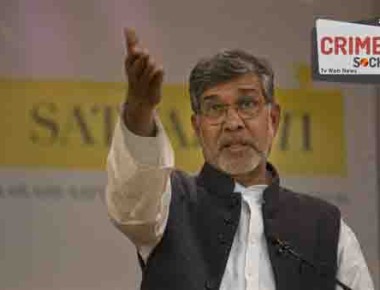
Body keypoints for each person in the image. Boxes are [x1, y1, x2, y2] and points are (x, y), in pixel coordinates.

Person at [105, 28, 374, 290]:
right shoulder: (167, 202)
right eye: (215, 108)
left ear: (273, 119)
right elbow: (132, 198)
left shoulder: (325, 228)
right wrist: (139, 110)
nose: (232, 123)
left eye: (247, 104)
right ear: (197, 128)